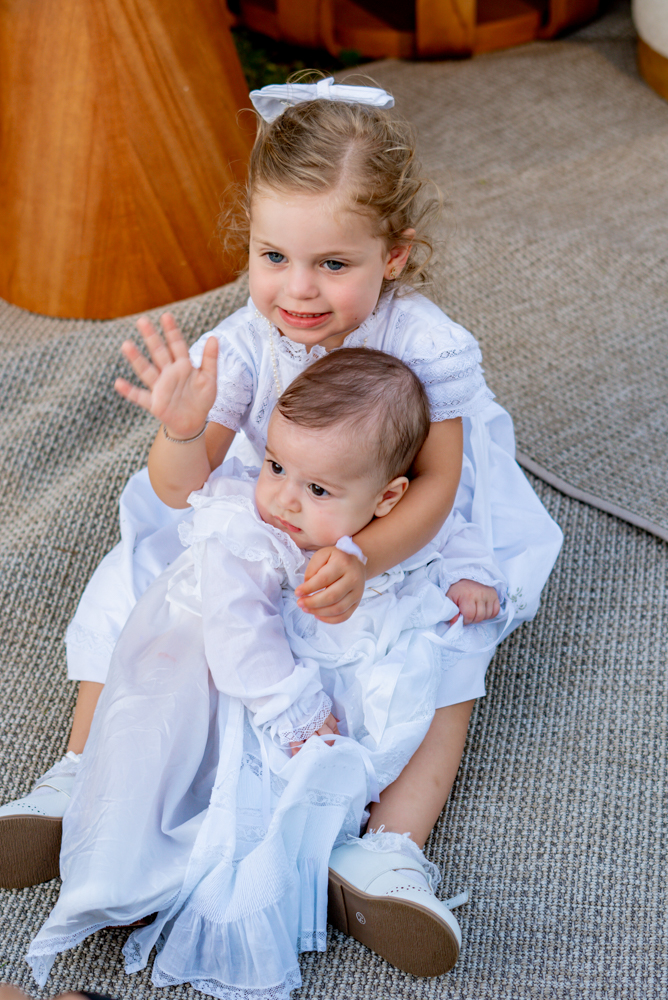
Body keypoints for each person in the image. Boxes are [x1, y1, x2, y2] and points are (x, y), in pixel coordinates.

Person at [0, 77, 562, 962]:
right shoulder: (253, 342)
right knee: (133, 584)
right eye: (273, 258)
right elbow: (182, 488)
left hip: (385, 525)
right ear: (251, 248)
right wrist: (183, 432)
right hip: (260, 509)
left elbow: (440, 484)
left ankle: (389, 850)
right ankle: (82, 774)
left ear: (395, 257)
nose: (298, 291)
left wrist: (366, 559)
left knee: (446, 654)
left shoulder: (425, 344)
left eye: (333, 265)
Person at [27, 350, 507, 997]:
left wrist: (472, 576)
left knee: (444, 659)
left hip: (340, 665)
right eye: (277, 466)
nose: (283, 496)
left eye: (317, 490)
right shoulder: (249, 528)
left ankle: (375, 850)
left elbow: (445, 531)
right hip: (258, 689)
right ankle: (144, 863)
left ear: (387, 497)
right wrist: (293, 708)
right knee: (223, 778)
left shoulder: (397, 512)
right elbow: (237, 631)